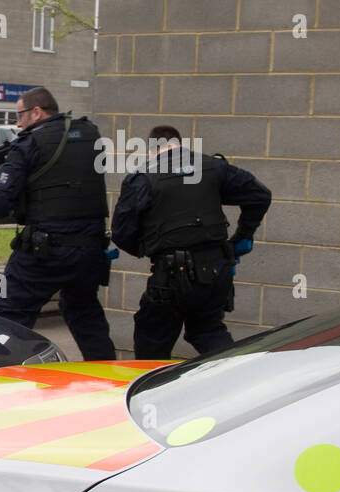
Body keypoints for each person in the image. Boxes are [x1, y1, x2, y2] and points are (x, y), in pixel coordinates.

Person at [0, 87, 116, 360]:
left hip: (45, 251)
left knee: (6, 315)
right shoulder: (90, 133)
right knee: (84, 313)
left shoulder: (28, 144)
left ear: (37, 112)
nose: (17, 123)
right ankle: (108, 377)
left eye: (20, 115)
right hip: (90, 250)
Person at [111, 125, 271, 358]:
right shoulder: (214, 167)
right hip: (217, 270)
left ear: (152, 149)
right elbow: (260, 196)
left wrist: (148, 247)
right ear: (180, 144)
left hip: (172, 275)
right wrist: (242, 237)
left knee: (152, 342)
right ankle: (237, 380)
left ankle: (151, 390)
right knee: (208, 331)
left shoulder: (143, 178)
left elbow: (121, 231)